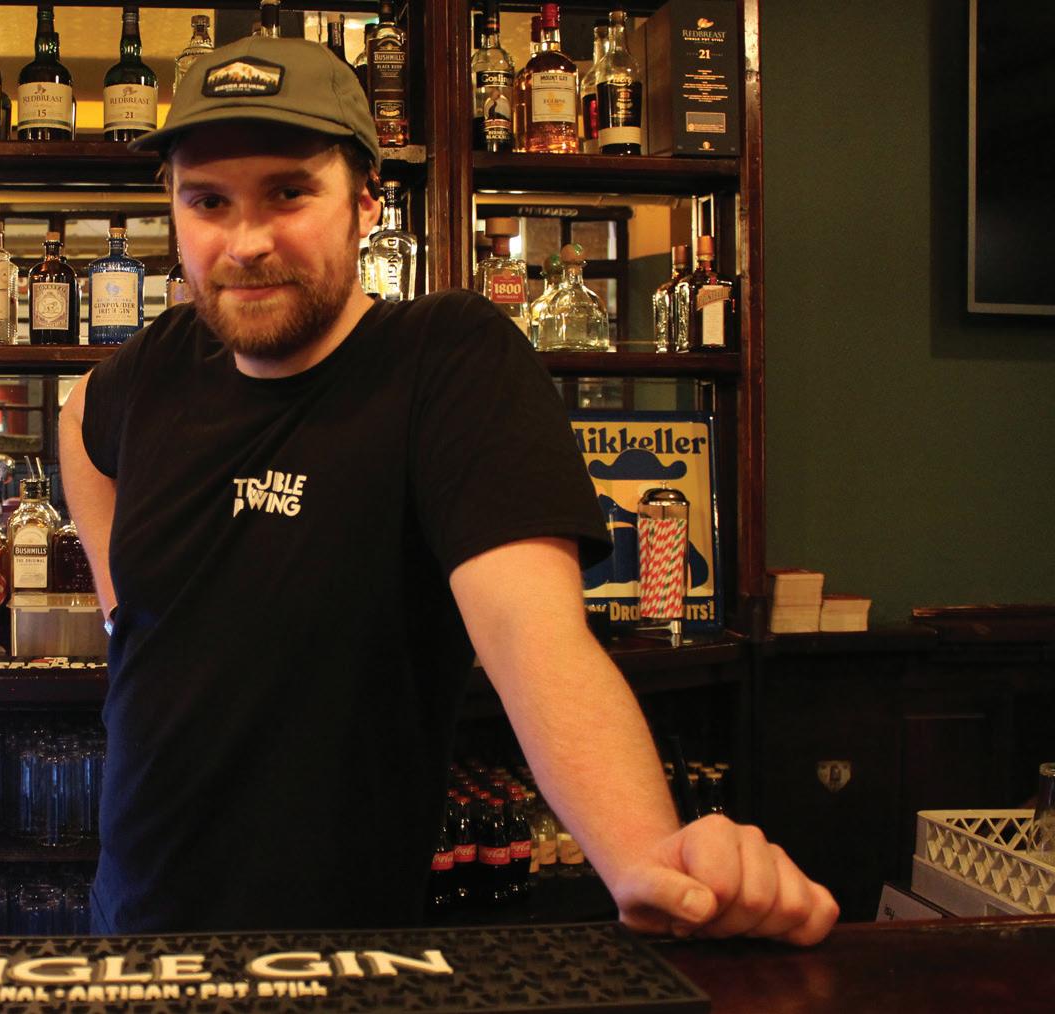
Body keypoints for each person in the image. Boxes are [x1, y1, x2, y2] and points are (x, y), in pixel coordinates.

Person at [59, 35, 838, 945]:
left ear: (366, 203)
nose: (247, 241)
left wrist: (643, 857)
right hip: (132, 917)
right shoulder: (159, 363)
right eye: (208, 202)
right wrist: (120, 607)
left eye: (289, 193)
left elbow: (533, 635)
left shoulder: (444, 361)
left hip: (347, 946)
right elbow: (78, 423)